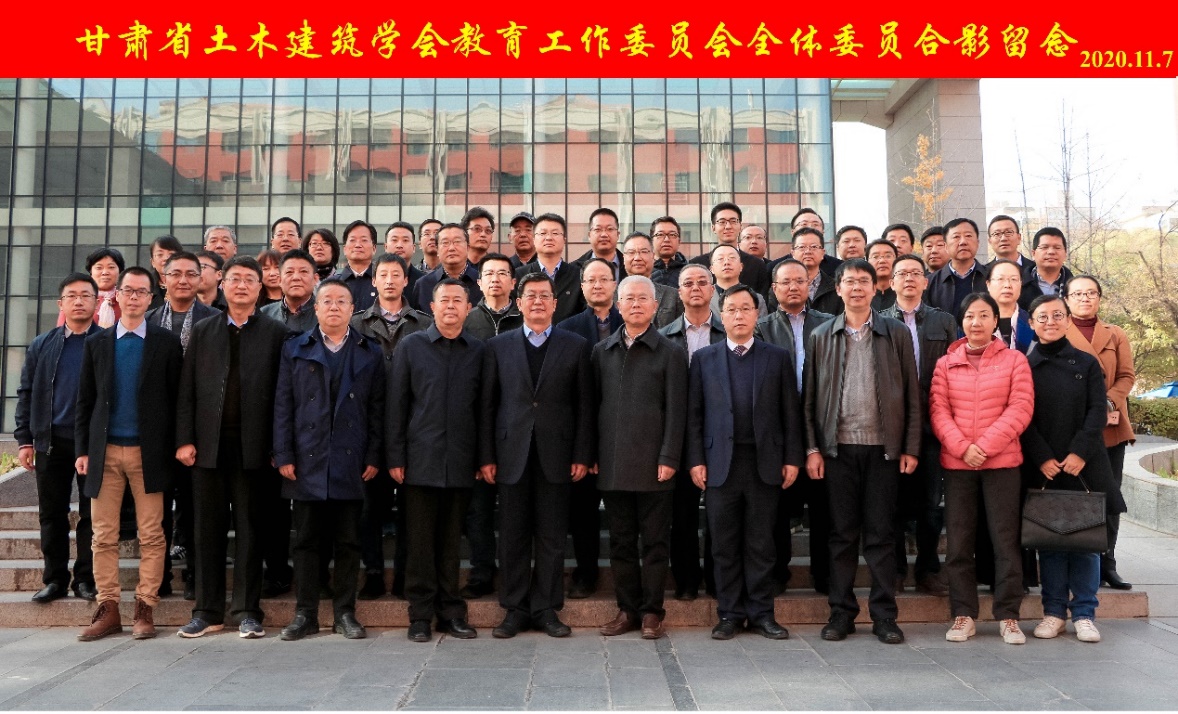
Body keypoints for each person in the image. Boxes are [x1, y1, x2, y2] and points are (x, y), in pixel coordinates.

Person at [804, 259, 921, 645]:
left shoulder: (895, 332)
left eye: (863, 282)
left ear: (875, 288)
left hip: (884, 451)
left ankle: (885, 615)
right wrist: (812, 448)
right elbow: (810, 399)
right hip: (837, 451)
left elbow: (912, 392)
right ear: (837, 289)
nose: (856, 288)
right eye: (849, 282)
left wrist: (910, 446)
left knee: (881, 535)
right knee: (841, 535)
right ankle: (841, 613)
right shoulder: (821, 335)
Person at [175, 257, 290, 639]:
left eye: (249, 280)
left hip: (255, 450)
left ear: (260, 288)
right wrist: (185, 439)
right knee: (206, 531)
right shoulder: (204, 330)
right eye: (235, 279)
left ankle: (247, 610)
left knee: (251, 531)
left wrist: (278, 447)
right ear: (222, 285)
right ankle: (206, 611)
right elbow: (187, 389)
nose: (241, 285)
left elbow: (283, 396)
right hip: (207, 448)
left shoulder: (275, 333)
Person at [479, 273, 595, 638]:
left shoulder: (576, 346)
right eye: (531, 296)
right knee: (512, 536)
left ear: (555, 303)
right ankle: (514, 609)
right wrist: (486, 456)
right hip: (510, 453)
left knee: (551, 536)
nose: (538, 302)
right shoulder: (498, 346)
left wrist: (582, 453)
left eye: (545, 296)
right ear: (519, 303)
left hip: (557, 454)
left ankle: (546, 609)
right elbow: (488, 406)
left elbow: (584, 406)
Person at [688, 285, 803, 640]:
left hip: (763, 462)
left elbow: (790, 413)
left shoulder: (776, 357)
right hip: (720, 463)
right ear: (721, 316)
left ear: (757, 314)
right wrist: (696, 460)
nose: (739, 316)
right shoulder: (704, 359)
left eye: (745, 309)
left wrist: (792, 458)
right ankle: (729, 613)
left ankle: (761, 613)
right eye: (732, 310)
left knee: (761, 543)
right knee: (723, 544)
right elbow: (694, 415)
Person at [74, 267, 183, 641]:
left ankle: (144, 607)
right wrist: (83, 450)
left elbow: (177, 400)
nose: (134, 297)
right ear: (117, 295)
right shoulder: (98, 343)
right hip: (104, 453)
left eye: (142, 292)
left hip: (149, 453)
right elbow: (85, 401)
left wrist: (176, 444)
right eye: (128, 290)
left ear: (152, 298)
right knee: (103, 535)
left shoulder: (166, 343)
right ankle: (107, 609)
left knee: (151, 534)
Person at [274, 278, 385, 641]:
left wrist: (374, 454)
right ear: (316, 308)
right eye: (327, 301)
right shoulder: (295, 348)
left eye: (341, 301)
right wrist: (284, 453)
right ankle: (305, 613)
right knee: (306, 541)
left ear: (353, 309)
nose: (334, 307)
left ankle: (345, 612)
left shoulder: (370, 351)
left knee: (349, 541)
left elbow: (377, 409)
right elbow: (283, 406)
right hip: (307, 457)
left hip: (350, 458)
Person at [929, 292, 1035, 645]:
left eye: (984, 315)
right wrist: (963, 448)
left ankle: (1008, 615)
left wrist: (985, 447)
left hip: (1002, 463)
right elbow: (939, 411)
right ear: (961, 322)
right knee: (959, 543)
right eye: (970, 316)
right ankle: (963, 614)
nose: (976, 322)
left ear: (995, 321)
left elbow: (1020, 408)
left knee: (1005, 541)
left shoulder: (1014, 361)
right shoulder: (946, 364)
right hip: (958, 465)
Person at [1022, 295, 1126, 644]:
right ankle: (1053, 612)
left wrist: (1080, 451)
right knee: (1050, 541)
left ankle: (1084, 613)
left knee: (1085, 541)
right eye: (1042, 317)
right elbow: (1023, 416)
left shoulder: (1086, 362)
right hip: (1046, 466)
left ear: (1067, 320)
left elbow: (1097, 410)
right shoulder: (1025, 365)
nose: (1050, 322)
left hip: (1085, 463)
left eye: (1057, 315)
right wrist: (1041, 456)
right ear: (1031, 323)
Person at [387, 279, 484, 643]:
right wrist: (395, 455)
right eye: (444, 300)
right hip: (419, 460)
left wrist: (483, 457)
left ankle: (451, 613)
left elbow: (484, 408)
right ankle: (420, 615)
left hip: (461, 458)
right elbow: (397, 404)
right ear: (432, 306)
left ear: (468, 308)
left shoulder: (477, 350)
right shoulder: (412, 346)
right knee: (420, 541)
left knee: (450, 542)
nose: (451, 306)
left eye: (458, 301)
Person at [594, 276, 687, 640]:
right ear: (618, 306)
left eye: (642, 299)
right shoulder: (602, 351)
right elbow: (592, 408)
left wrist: (669, 456)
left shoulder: (671, 352)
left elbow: (676, 411)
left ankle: (651, 612)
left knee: (654, 543)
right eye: (628, 299)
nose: (635, 304)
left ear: (655, 306)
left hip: (655, 464)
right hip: (613, 462)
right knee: (620, 542)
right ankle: (627, 610)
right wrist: (592, 455)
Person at [16, 274, 102, 604]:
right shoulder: (43, 344)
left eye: (85, 295)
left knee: (91, 515)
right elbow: (26, 392)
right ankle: (54, 579)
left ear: (96, 301)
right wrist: (25, 439)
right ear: (61, 303)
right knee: (51, 513)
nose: (78, 301)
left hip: (91, 444)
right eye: (72, 295)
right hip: (51, 441)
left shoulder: (105, 342)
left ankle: (85, 579)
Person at [351, 253, 431, 600]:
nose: (389, 280)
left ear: (406, 280)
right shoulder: (357, 323)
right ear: (373, 281)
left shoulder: (424, 323)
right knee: (369, 508)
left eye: (395, 274)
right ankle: (372, 571)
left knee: (411, 511)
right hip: (367, 428)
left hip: (413, 428)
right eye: (382, 274)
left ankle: (403, 573)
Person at [145, 252, 222, 601]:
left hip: (200, 428)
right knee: (157, 509)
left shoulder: (214, 319)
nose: (183, 280)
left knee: (195, 508)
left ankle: (195, 574)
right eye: (175, 273)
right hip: (157, 428)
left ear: (201, 279)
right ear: (163, 279)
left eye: (192, 274)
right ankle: (158, 576)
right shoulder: (148, 320)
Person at [755, 259, 834, 595]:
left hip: (821, 426)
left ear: (809, 286)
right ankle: (778, 574)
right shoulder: (761, 328)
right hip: (779, 428)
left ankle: (824, 574)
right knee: (777, 509)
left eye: (799, 281)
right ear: (774, 289)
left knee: (824, 507)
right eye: (785, 282)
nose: (793, 287)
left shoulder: (828, 324)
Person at [880, 255, 957, 595]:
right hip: (892, 424)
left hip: (933, 423)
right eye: (902, 273)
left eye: (916, 273)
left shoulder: (944, 321)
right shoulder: (879, 321)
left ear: (926, 282)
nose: (909, 278)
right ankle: (896, 569)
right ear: (892, 282)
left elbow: (955, 368)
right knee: (892, 502)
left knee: (930, 503)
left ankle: (927, 568)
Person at [1064, 275, 1136, 590]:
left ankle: (1108, 562)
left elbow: (1126, 375)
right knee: (1073, 496)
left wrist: (1107, 402)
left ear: (1099, 298)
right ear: (1067, 299)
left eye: (1091, 293)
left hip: (1110, 426)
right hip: (1072, 427)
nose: (1085, 298)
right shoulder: (1057, 330)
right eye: (1078, 293)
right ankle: (1075, 563)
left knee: (1109, 495)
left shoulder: (1115, 333)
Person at [556, 257, 622, 599]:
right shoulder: (566, 328)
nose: (597, 285)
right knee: (582, 513)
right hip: (580, 435)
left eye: (604, 279)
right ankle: (586, 574)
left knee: (623, 516)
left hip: (622, 437)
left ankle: (627, 580)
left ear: (615, 284)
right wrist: (583, 447)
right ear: (581, 287)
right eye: (590, 280)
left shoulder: (632, 322)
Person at [660, 264, 724, 600]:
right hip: (678, 434)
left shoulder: (729, 332)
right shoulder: (664, 335)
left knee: (719, 513)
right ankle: (685, 580)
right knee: (681, 514)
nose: (696, 288)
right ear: (679, 292)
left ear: (713, 290)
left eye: (703, 282)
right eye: (688, 283)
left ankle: (716, 579)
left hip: (720, 433)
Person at [514, 213, 585, 324]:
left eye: (555, 233)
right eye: (543, 233)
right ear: (534, 239)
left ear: (564, 239)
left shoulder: (578, 275)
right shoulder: (518, 275)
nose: (549, 238)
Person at [690, 202, 770, 297]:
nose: (728, 226)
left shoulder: (757, 265)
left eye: (733, 221)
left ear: (740, 226)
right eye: (722, 222)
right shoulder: (697, 264)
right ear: (713, 228)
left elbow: (762, 301)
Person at [414, 223, 484, 315]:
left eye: (457, 242)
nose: (451, 248)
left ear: (468, 247)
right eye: (445, 243)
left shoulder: (483, 282)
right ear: (437, 250)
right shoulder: (423, 285)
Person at [924, 218, 989, 315]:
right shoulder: (930, 282)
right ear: (946, 246)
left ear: (978, 243)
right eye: (956, 237)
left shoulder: (992, 277)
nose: (963, 242)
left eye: (968, 236)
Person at [622, 232, 682, 328]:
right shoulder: (611, 297)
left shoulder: (674, 296)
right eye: (631, 252)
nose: (637, 258)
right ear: (624, 257)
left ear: (653, 256)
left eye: (644, 252)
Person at [259, 249, 320, 334]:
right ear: (280, 280)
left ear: (315, 279)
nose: (296, 277)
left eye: (303, 271)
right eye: (289, 272)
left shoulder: (326, 313)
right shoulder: (264, 314)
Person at [464, 253, 523, 341]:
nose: (495, 279)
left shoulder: (525, 318)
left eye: (502, 273)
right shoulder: (467, 319)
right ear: (479, 283)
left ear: (513, 283)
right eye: (489, 274)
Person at [1019, 227, 1075, 310]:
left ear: (1065, 254)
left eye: (1057, 248)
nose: (1051, 252)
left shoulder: (1075, 288)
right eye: (1044, 247)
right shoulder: (1018, 285)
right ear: (1033, 254)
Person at [791, 227, 842, 316]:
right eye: (802, 247)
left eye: (814, 247)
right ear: (793, 253)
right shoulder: (782, 287)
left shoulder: (837, 288)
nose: (808, 251)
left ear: (823, 253)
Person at [710, 245, 766, 318]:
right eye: (720, 259)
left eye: (732, 258)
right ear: (712, 269)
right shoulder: (704, 297)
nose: (726, 262)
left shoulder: (757, 299)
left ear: (741, 266)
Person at [335, 220, 379, 313]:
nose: (358, 245)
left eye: (364, 240)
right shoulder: (333, 283)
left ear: (374, 248)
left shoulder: (383, 282)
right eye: (352, 240)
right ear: (344, 249)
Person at [576, 208, 627, 280]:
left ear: (618, 235)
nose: (604, 234)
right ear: (589, 235)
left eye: (610, 229)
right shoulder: (574, 270)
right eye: (598, 229)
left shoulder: (629, 266)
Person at [384, 221, 425, 309]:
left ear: (413, 248)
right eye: (394, 240)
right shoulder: (374, 279)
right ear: (385, 247)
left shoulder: (423, 281)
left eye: (405, 240)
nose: (399, 245)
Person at [86, 248, 124, 328]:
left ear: (120, 271)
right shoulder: (80, 298)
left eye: (111, 267)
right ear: (91, 272)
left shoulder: (126, 299)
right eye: (99, 268)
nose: (105, 272)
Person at [650, 216, 689, 289]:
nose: (666, 239)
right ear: (651, 241)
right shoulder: (643, 269)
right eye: (660, 234)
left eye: (672, 235)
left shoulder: (689, 271)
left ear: (679, 241)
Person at [148, 235, 183, 310]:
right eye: (160, 255)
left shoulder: (190, 284)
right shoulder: (146, 286)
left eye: (171, 254)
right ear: (152, 262)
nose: (166, 258)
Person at [867, 239, 898, 310]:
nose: (882, 261)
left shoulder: (905, 293)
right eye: (875, 257)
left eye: (888, 256)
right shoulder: (861, 294)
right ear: (867, 262)